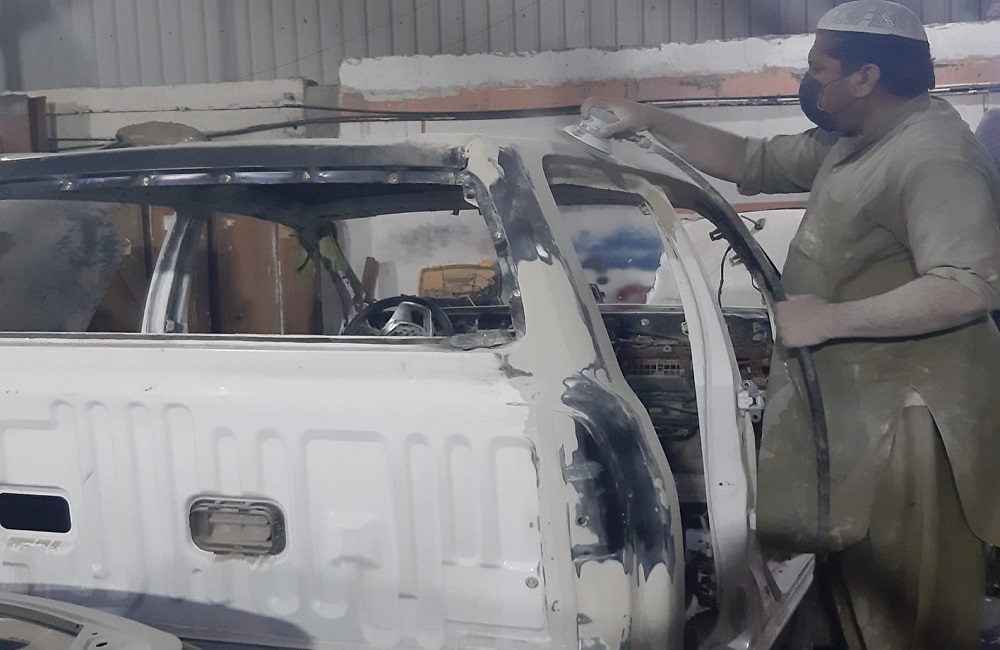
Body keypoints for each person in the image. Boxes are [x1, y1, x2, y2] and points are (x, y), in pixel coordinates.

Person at [582, 1, 1000, 647]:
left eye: (819, 69)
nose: (809, 82)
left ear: (865, 76)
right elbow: (749, 158)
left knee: (910, 606)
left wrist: (829, 319)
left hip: (913, 423)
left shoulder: (932, 156)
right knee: (857, 595)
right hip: (864, 410)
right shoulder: (857, 138)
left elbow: (966, 286)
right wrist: (651, 119)